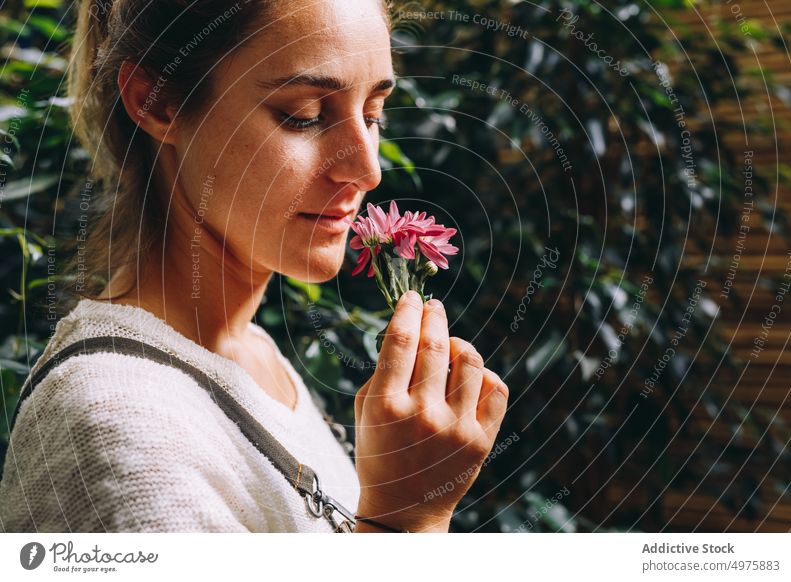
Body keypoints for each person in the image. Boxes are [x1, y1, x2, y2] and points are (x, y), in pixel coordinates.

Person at [0, 0, 509, 533]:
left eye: (373, 115)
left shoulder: (257, 361)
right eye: (304, 116)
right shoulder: (115, 420)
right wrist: (406, 519)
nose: (368, 169)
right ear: (157, 102)